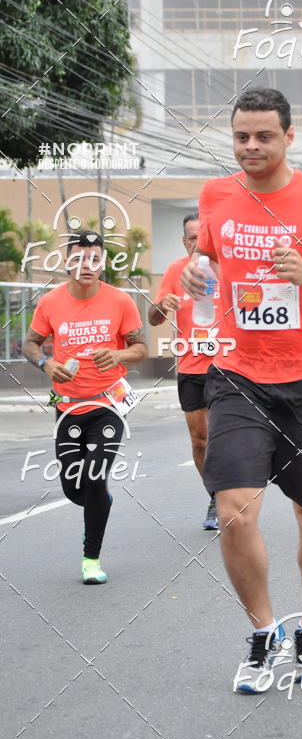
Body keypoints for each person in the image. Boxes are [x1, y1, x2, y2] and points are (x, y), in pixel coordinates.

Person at [181, 88, 302, 690]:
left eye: (264, 136)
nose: (251, 147)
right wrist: (197, 271)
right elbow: (210, 261)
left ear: (290, 138)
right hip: (239, 375)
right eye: (241, 136)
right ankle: (263, 632)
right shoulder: (217, 194)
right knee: (233, 511)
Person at [22, 231, 147, 584]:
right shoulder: (50, 302)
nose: (87, 265)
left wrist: (119, 354)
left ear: (103, 263)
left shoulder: (120, 301)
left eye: (94, 258)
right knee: (74, 488)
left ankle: (91, 559)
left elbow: (141, 349)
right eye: (79, 258)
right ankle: (99, 500)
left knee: (93, 475)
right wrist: (44, 363)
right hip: (67, 408)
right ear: (67, 263)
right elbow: (31, 343)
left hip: (109, 405)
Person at [148, 212, 220, 530]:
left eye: (202, 236)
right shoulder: (176, 271)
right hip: (191, 366)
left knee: (223, 437)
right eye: (192, 238)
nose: (197, 242)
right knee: (199, 441)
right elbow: (152, 318)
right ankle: (216, 495)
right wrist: (163, 306)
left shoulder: (226, 269)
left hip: (228, 367)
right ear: (184, 241)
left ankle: (232, 492)